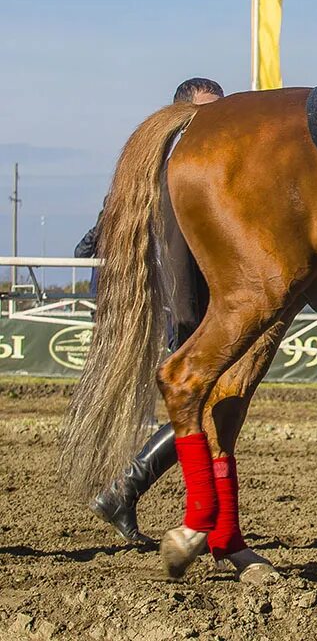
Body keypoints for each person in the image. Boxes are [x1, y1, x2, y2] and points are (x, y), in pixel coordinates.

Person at [89, 77, 224, 544]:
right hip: (186, 308)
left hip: (196, 305)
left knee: (208, 408)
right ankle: (127, 490)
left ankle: (127, 493)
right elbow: (177, 259)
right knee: (205, 405)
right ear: (180, 113)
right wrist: (193, 325)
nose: (217, 121)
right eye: (206, 112)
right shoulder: (180, 170)